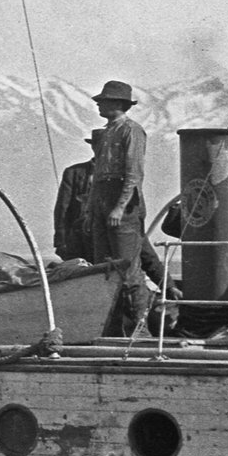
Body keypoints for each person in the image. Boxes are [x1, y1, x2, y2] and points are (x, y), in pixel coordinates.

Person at [89, 80, 149, 337]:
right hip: (102, 200)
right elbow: (97, 174)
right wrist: (92, 209)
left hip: (120, 202)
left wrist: (119, 207)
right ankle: (110, 329)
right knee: (104, 268)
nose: (99, 104)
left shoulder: (131, 131)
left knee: (128, 268)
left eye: (104, 100)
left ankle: (140, 329)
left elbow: (133, 173)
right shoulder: (106, 132)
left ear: (117, 104)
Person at [53, 130, 104, 263]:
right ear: (93, 146)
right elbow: (62, 208)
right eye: (99, 145)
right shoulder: (73, 173)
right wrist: (60, 240)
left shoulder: (122, 174)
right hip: (78, 239)